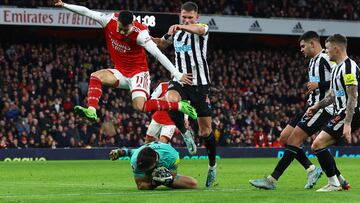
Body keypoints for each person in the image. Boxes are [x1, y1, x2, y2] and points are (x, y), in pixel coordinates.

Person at [54, 0, 197, 123]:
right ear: (117, 22)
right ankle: (92, 110)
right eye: (120, 29)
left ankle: (179, 106)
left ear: (131, 25)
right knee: (95, 76)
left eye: (125, 30)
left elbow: (158, 54)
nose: (122, 33)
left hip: (138, 74)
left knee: (140, 106)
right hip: (121, 72)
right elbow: (87, 12)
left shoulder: (140, 34)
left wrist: (177, 74)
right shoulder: (109, 20)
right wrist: (64, 4)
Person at [249, 31, 333, 190]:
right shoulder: (312, 62)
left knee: (294, 140)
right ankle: (312, 169)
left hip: (322, 108)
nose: (301, 49)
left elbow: (339, 79)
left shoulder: (326, 58)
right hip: (310, 106)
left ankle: (272, 180)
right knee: (285, 137)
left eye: (303, 46)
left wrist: (319, 86)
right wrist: (312, 89)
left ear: (312, 44)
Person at [152, 1, 217, 187]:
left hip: (200, 85)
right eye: (184, 17)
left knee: (206, 131)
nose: (187, 20)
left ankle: (212, 166)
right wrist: (143, 38)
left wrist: (182, 25)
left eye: (190, 17)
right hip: (180, 80)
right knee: (170, 100)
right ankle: (186, 132)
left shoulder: (202, 28)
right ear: (180, 14)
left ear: (196, 17)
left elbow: (200, 29)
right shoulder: (176, 32)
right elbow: (162, 44)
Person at [306, 34, 359, 192]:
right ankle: (341, 182)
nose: (326, 52)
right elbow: (334, 95)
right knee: (319, 145)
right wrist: (316, 106)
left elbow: (353, 96)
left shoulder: (349, 67)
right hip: (340, 113)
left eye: (328, 49)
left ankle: (333, 184)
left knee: (317, 144)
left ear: (337, 49)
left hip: (350, 113)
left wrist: (348, 123)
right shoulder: (336, 68)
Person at [109, 141, 198, 190]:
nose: (145, 171)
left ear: (155, 163)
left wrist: (167, 180)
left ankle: (123, 152)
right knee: (144, 182)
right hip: (140, 151)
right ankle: (122, 152)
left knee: (193, 184)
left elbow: (173, 176)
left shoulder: (172, 156)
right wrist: (154, 183)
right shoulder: (136, 161)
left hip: (164, 151)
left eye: (147, 169)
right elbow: (140, 185)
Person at [145, 82, 195, 154]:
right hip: (157, 118)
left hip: (171, 121)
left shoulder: (184, 88)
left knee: (163, 142)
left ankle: (159, 161)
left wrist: (186, 118)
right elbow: (152, 99)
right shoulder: (163, 85)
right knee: (148, 141)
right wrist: (163, 99)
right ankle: (146, 160)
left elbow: (186, 104)